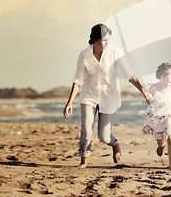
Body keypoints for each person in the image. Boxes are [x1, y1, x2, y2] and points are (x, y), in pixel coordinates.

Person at [63, 24, 150, 169]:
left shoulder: (115, 52)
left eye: (109, 39)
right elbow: (78, 79)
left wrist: (143, 91)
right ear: (95, 40)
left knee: (103, 136)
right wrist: (69, 102)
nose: (108, 43)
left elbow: (129, 74)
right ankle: (84, 161)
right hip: (89, 95)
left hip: (109, 97)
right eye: (104, 40)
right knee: (86, 130)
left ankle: (115, 143)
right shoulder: (84, 54)